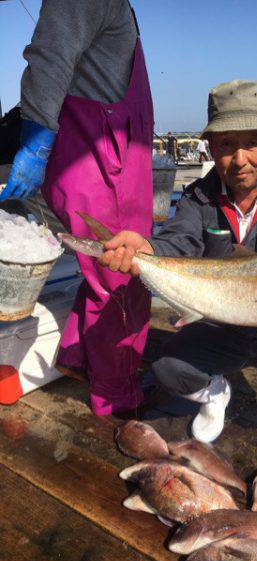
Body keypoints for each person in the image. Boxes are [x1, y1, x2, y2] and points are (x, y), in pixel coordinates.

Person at [99, 79, 257, 456]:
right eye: (226, 145)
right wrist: (149, 249)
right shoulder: (197, 198)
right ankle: (215, 393)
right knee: (167, 367)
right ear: (210, 148)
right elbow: (180, 240)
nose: (240, 159)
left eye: (253, 143)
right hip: (218, 323)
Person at [0, 0, 154, 416]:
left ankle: (81, 359)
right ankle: (115, 397)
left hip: (123, 159)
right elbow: (50, 55)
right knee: (117, 279)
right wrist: (35, 137)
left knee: (115, 273)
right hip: (99, 160)